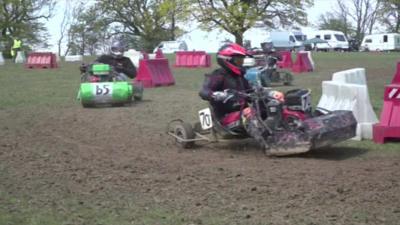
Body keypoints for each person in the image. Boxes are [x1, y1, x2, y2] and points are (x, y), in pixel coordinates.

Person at [199, 43, 281, 151]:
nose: (241, 63)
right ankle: (268, 144)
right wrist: (215, 95)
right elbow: (203, 91)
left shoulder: (240, 77)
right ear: (227, 60)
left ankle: (285, 134)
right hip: (226, 117)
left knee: (271, 105)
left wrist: (268, 94)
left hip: (243, 112)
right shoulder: (218, 75)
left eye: (241, 60)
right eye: (238, 60)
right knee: (249, 113)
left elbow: (251, 92)